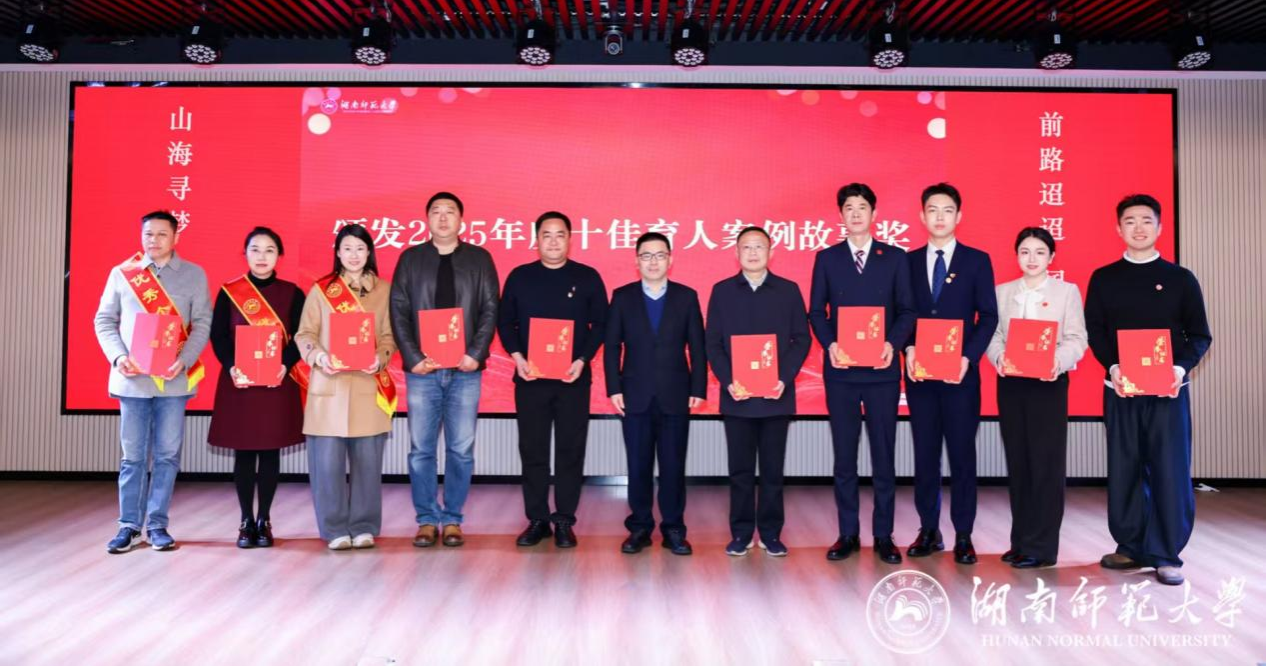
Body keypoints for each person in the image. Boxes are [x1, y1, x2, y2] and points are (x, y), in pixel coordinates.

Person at [1085, 194, 1211, 586]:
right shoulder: (1104, 278)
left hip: (1167, 392)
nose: (1138, 228)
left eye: (1145, 220)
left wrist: (1178, 368)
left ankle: (1166, 553)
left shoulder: (1181, 279)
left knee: (1169, 469)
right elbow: (1096, 332)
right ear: (1118, 228)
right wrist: (1114, 366)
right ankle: (1130, 545)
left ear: (1159, 227)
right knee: (1124, 467)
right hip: (1121, 389)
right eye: (1130, 221)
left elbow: (1199, 336)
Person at [808, 184, 915, 564]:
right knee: (844, 457)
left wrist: (892, 343)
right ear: (841, 215)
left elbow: (907, 310)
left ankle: (884, 535)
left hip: (882, 372)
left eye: (862, 207)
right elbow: (816, 312)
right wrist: (830, 344)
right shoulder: (827, 258)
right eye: (849, 208)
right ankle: (847, 533)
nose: (855, 213)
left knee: (883, 456)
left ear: (874, 214)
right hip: (841, 372)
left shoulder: (895, 258)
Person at [94, 210, 212, 553]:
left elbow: (202, 323)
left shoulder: (193, 275)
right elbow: (104, 320)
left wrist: (184, 360)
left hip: (173, 382)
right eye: (148, 234)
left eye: (162, 234)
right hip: (132, 381)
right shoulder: (123, 273)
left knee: (167, 456)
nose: (154, 240)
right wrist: (119, 357)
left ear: (175, 238)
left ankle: (158, 524)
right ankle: (129, 526)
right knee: (132, 458)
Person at [390, 192, 500, 549]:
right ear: (426, 219)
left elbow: (490, 309)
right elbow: (398, 310)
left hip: (465, 371)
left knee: (461, 450)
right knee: (421, 450)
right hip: (423, 371)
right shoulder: (411, 259)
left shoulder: (479, 259)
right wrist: (412, 357)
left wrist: (475, 354)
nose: (442, 218)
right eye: (435, 212)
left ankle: (452, 519)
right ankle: (426, 520)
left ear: (461, 220)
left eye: (449, 212)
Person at [497, 212, 608, 549]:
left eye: (560, 235)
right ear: (537, 240)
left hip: (573, 379)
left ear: (570, 239)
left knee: (570, 450)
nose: (554, 241)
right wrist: (517, 357)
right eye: (547, 235)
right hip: (531, 378)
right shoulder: (520, 277)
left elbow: (601, 324)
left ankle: (563, 520)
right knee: (533, 449)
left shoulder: (587, 277)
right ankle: (537, 519)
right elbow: (505, 322)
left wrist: (582, 359)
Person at [903, 183, 998, 565]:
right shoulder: (907, 262)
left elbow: (988, 316)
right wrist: (908, 347)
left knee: (962, 457)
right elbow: (901, 313)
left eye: (947, 210)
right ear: (922, 216)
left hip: (961, 378)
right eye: (932, 210)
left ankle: (963, 534)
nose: (939, 217)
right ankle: (928, 529)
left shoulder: (976, 261)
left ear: (959, 216)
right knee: (925, 455)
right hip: (921, 376)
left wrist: (968, 357)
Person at [985, 227, 1087, 568]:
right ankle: (1021, 540)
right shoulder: (1002, 292)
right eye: (1025, 252)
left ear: (1051, 257)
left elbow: (1077, 338)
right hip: (1012, 384)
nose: (1032, 258)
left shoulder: (1066, 292)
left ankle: (1042, 548)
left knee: (1046, 464)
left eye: (1040, 252)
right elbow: (993, 335)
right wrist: (999, 358)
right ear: (1016, 255)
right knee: (1019, 462)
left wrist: (1057, 362)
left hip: (1048, 384)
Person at [706, 226, 811, 557]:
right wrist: (728, 380)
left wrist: (783, 377)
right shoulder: (722, 291)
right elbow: (712, 343)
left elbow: (801, 339)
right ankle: (740, 533)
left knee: (772, 471)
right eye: (746, 247)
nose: (752, 253)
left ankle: (770, 533)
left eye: (759, 247)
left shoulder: (788, 290)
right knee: (739, 472)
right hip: (737, 397)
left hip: (776, 396)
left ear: (771, 252)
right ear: (736, 253)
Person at [294, 224, 397, 551]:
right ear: (338, 253)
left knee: (368, 465)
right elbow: (304, 334)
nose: (354, 255)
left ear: (369, 253)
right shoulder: (321, 290)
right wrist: (319, 356)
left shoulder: (384, 290)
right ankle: (334, 528)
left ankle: (364, 526)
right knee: (327, 467)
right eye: (347, 248)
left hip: (367, 384)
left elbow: (389, 336)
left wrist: (380, 358)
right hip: (329, 386)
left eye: (360, 248)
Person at [604, 232, 706, 556]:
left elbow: (698, 347)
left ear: (670, 260)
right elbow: (612, 346)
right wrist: (614, 387)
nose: (653, 262)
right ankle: (640, 528)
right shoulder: (622, 297)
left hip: (676, 394)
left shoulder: (686, 297)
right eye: (646, 255)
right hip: (635, 395)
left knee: (673, 466)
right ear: (636, 261)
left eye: (660, 255)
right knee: (638, 466)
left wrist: (698, 388)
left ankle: (674, 529)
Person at [207, 227, 306, 549]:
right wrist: (231, 366)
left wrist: (285, 364)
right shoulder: (230, 292)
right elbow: (219, 336)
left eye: (269, 250)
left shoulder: (292, 293)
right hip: (240, 382)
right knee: (245, 452)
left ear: (279, 256)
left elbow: (302, 336)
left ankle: (264, 519)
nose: (262, 256)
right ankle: (245, 520)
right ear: (245, 253)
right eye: (255, 249)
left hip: (276, 381)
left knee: (270, 450)